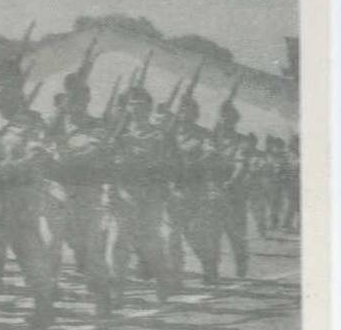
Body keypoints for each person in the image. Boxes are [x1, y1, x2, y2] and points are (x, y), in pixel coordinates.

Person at [0, 60, 60, 330]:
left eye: (7, 84)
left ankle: (45, 302)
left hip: (22, 196)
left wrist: (16, 166)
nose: (1, 90)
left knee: (29, 253)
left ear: (19, 89)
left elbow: (40, 152)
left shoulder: (32, 121)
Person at [108, 86, 179, 306]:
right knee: (119, 242)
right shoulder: (118, 135)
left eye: (142, 105)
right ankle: (117, 290)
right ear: (127, 108)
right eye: (132, 105)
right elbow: (108, 166)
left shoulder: (160, 136)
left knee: (150, 243)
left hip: (151, 196)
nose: (137, 109)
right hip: (124, 193)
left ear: (149, 108)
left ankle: (162, 281)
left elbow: (172, 166)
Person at [49, 81, 114, 316]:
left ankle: (102, 294)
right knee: (51, 244)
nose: (74, 103)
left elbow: (90, 153)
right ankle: (46, 295)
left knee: (91, 247)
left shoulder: (96, 126)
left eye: (79, 98)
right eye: (69, 98)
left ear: (86, 100)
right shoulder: (53, 125)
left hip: (87, 192)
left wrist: (60, 154)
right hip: (58, 190)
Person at [167, 92, 223, 284]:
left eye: (190, 110)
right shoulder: (169, 134)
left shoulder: (203, 134)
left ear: (196, 114)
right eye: (181, 110)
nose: (185, 114)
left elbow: (211, 152)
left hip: (195, 191)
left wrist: (196, 162)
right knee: (172, 235)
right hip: (172, 190)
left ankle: (209, 265)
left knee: (194, 234)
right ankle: (176, 275)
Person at [213, 101, 251, 278]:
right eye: (222, 118)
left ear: (235, 121)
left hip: (233, 194)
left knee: (235, 234)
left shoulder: (242, 141)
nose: (225, 121)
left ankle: (241, 265)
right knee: (212, 233)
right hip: (212, 192)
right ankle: (212, 269)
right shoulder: (212, 139)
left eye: (228, 119)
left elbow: (241, 165)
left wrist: (230, 182)